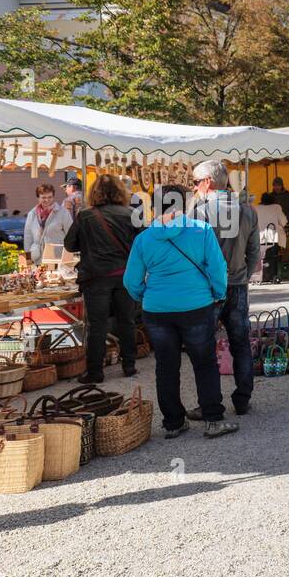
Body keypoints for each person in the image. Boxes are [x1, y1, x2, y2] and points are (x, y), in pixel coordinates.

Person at [124, 185, 237, 439]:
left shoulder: (144, 239)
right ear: (184, 205)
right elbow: (218, 270)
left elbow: (131, 280)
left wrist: (146, 296)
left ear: (154, 207)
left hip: (156, 310)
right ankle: (213, 419)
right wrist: (218, 294)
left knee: (166, 366)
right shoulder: (202, 230)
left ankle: (173, 422)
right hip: (196, 306)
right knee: (204, 362)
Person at [191, 160, 258, 418]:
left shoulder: (200, 212)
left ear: (208, 182)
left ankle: (211, 403)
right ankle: (243, 398)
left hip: (209, 289)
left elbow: (194, 254)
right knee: (240, 342)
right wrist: (243, 276)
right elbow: (254, 253)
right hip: (238, 285)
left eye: (196, 183)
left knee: (204, 346)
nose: (194, 188)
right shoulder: (247, 211)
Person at [64, 175, 140, 383]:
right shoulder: (131, 213)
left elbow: (70, 245)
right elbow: (143, 242)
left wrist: (88, 244)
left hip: (95, 277)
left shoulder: (85, 215)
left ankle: (96, 371)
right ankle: (129, 365)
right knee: (127, 321)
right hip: (125, 275)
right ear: (120, 192)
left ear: (93, 192)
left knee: (97, 325)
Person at [23, 182, 74, 269]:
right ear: (38, 198)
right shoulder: (32, 214)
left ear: (53, 197)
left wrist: (69, 255)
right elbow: (28, 236)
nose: (47, 200)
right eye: (43, 197)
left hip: (57, 256)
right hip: (37, 257)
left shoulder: (62, 212)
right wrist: (28, 257)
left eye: (50, 197)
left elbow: (71, 234)